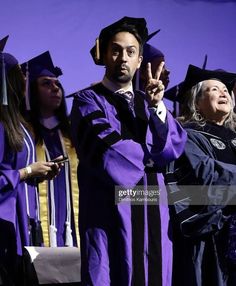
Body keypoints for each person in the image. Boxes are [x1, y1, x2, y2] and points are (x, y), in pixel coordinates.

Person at [70, 16, 187, 285]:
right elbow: (107, 148)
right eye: (116, 50)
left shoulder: (149, 103)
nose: (123, 57)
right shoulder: (88, 99)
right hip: (109, 212)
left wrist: (158, 108)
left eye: (131, 52)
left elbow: (171, 148)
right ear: (104, 55)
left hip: (153, 214)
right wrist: (150, 158)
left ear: (139, 60)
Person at [165, 64, 236, 286]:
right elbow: (206, 175)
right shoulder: (188, 136)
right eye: (213, 89)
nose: (223, 92)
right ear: (196, 102)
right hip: (211, 238)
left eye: (225, 89)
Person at [0, 40, 61, 285]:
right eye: (19, 75)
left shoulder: (17, 124)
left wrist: (39, 174)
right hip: (4, 226)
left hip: (22, 223)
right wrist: (27, 171)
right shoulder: (2, 125)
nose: (24, 80)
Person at [21, 51, 79, 248]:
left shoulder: (73, 134)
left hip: (74, 228)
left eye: (57, 84)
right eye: (46, 83)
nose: (55, 88)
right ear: (31, 91)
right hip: (35, 228)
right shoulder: (23, 134)